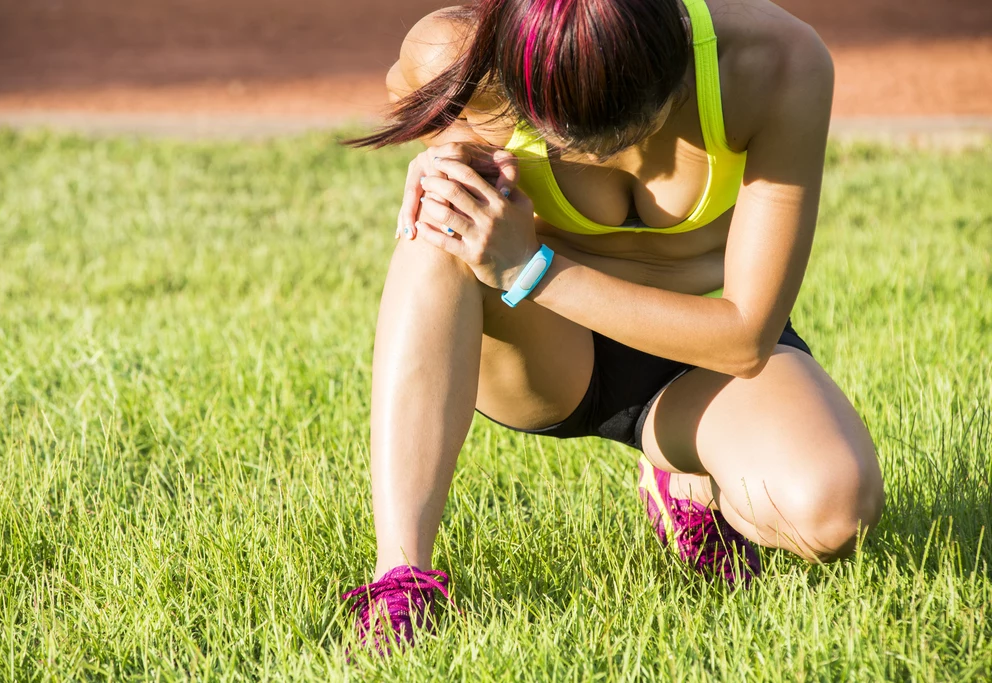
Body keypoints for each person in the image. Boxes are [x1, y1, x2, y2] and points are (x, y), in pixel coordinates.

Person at [340, 0, 885, 650]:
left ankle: (684, 473)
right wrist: (451, 155)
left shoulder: (777, 61)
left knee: (833, 511)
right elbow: (406, 93)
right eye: (560, 136)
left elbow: (746, 338)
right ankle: (403, 581)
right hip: (547, 355)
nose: (588, 154)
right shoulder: (456, 54)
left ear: (677, 65)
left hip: (703, 355)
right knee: (445, 222)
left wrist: (533, 267)